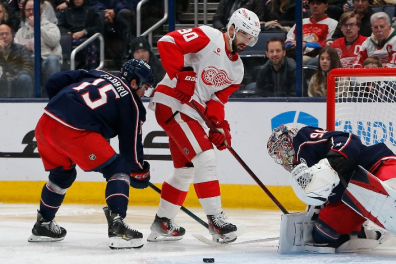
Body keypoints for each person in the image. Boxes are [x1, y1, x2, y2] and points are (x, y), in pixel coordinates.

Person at [266, 124, 396, 259]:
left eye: (280, 150)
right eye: (277, 156)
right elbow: (321, 191)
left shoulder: (303, 140)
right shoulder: (300, 171)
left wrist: (335, 160)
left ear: (287, 141)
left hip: (373, 166)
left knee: (389, 192)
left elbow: (347, 139)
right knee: (322, 234)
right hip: (351, 198)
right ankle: (366, 234)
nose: (281, 158)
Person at [147, 8, 261, 244]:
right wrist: (182, 74)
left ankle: (162, 223)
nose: (246, 42)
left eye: (251, 38)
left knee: (185, 170)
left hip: (191, 112)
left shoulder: (237, 70)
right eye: (244, 36)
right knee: (205, 158)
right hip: (173, 103)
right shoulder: (209, 36)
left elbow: (217, 101)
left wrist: (219, 127)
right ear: (231, 28)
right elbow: (167, 42)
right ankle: (216, 220)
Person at [28, 59, 155, 249]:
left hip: (46, 122)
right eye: (144, 87)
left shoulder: (97, 72)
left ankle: (43, 225)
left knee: (62, 174)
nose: (144, 93)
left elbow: (54, 81)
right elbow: (130, 151)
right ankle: (117, 226)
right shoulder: (133, 103)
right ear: (134, 82)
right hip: (73, 130)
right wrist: (140, 173)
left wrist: (66, 109)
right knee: (118, 168)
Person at [15, 0, 61, 95]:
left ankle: (53, 97)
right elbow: (16, 50)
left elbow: (53, 42)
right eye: (28, 10)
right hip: (29, 63)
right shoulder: (21, 32)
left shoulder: (51, 26)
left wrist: (38, 27)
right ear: (24, 12)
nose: (31, 12)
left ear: (40, 11)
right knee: (23, 77)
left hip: (46, 61)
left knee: (53, 60)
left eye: (34, 9)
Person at [56, 0, 102, 70]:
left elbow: (98, 27)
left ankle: (91, 72)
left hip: (88, 38)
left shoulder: (91, 11)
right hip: (70, 39)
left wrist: (84, 32)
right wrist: (67, 32)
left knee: (90, 44)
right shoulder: (65, 12)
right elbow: (59, 26)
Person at [0, 23, 34, 98]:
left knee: (25, 78)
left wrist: (15, 78)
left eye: (7, 34)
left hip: (18, 79)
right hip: (2, 81)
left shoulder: (21, 49)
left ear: (12, 36)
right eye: (1, 34)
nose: (4, 36)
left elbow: (28, 67)